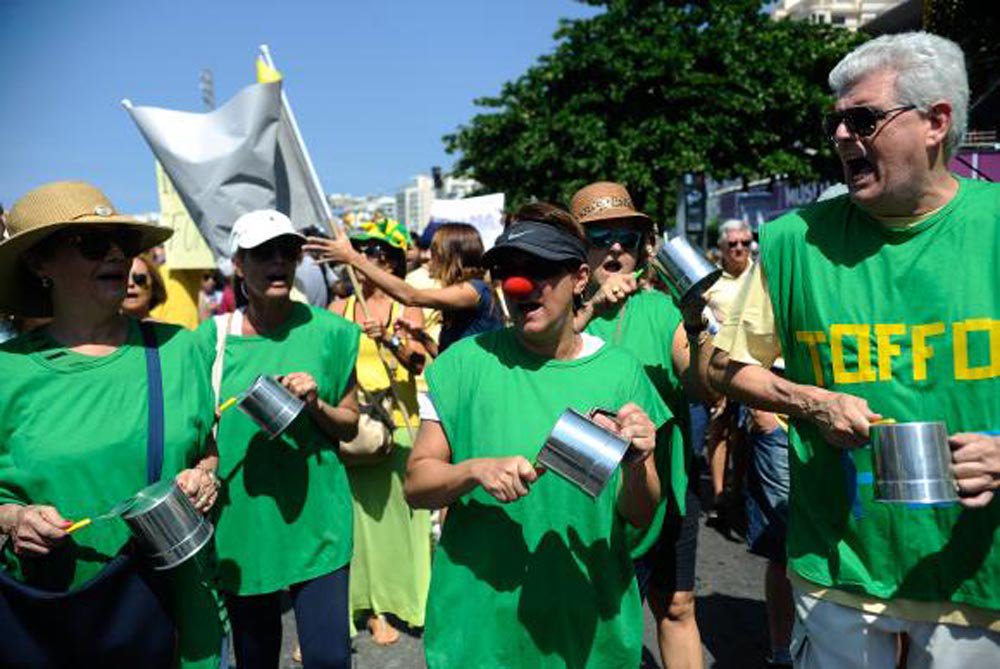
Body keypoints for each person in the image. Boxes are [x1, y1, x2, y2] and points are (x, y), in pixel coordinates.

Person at [708, 32, 999, 667]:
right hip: (838, 569)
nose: (840, 136)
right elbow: (721, 367)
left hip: (977, 579)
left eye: (862, 118)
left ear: (936, 123)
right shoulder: (789, 242)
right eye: (833, 120)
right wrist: (807, 401)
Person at [405, 202, 672, 668]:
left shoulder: (620, 372)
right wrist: (473, 471)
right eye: (509, 270)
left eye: (541, 270)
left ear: (580, 279)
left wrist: (637, 465)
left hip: (589, 629)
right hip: (482, 631)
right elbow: (416, 485)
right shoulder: (461, 365)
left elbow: (642, 511)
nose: (519, 285)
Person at [0, 181, 223, 669]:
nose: (117, 256)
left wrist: (205, 476)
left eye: (124, 242)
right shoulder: (6, 372)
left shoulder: (180, 348)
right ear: (40, 263)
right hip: (48, 623)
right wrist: (12, 519)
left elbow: (205, 447)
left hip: (177, 618)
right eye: (94, 244)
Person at [196, 209, 361, 669]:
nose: (278, 261)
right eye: (263, 252)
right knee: (255, 658)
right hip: (242, 524)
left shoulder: (334, 332)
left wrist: (317, 406)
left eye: (287, 251)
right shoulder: (210, 340)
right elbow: (192, 432)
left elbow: (349, 424)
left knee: (329, 659)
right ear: (238, 264)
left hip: (318, 519)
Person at [569, 181, 709, 669]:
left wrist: (695, 325)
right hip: (581, 493)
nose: (613, 248)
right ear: (576, 247)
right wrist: (589, 310)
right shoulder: (555, 313)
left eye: (625, 237)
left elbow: (701, 384)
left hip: (664, 485)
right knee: (590, 613)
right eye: (598, 234)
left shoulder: (660, 310)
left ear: (642, 247)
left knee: (676, 605)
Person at [329, 220, 432, 646]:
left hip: (401, 428)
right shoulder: (341, 309)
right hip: (360, 430)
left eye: (376, 251)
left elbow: (421, 362)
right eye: (363, 250)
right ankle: (366, 609)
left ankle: (404, 605)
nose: (368, 257)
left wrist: (389, 339)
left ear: (390, 261)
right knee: (361, 527)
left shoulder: (403, 308)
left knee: (403, 528)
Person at [305, 219, 502, 356]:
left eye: (433, 251)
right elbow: (446, 357)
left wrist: (353, 257)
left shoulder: (474, 290)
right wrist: (422, 338)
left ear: (454, 256)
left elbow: (411, 296)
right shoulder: (460, 294)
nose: (425, 257)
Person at [702, 218, 755, 527]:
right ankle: (720, 495)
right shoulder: (710, 281)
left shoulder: (761, 276)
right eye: (732, 244)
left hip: (753, 365)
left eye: (744, 244)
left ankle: (738, 491)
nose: (738, 249)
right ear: (721, 247)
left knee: (745, 435)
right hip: (719, 364)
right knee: (719, 428)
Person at [121, 251, 167, 320]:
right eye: (123, 278)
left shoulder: (172, 331)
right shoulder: (100, 329)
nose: (130, 284)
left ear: (154, 285)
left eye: (139, 278)